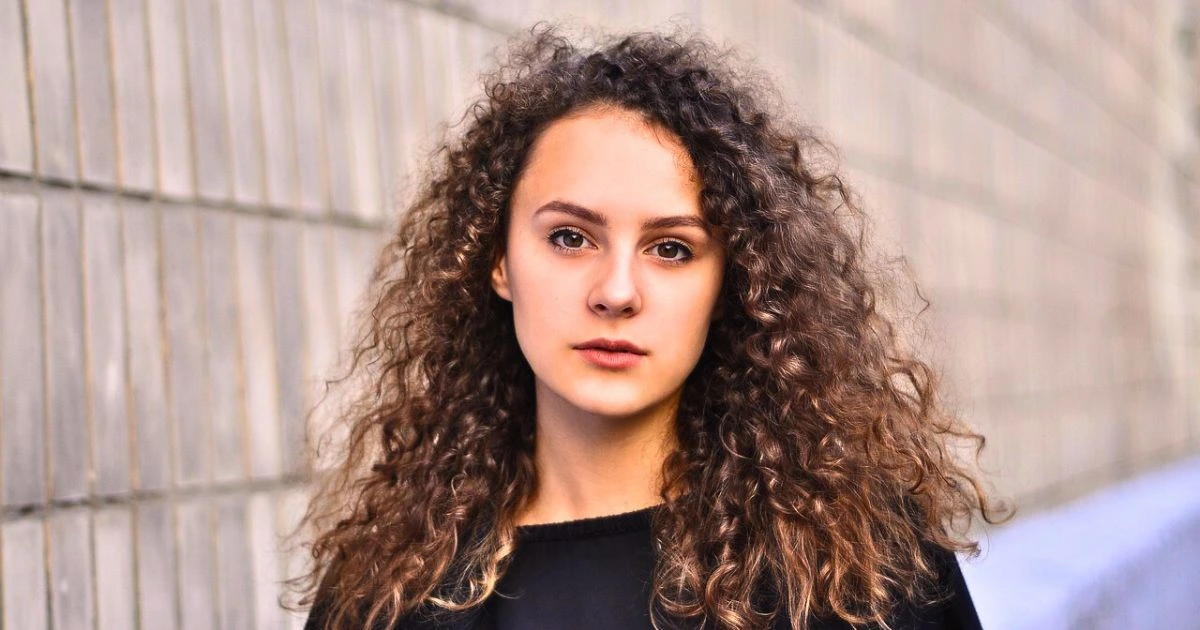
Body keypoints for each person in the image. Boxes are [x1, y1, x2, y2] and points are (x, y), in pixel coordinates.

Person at [295, 27, 1004, 630]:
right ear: (496, 260)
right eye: (570, 238)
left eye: (671, 249)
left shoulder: (859, 573)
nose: (616, 292)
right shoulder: (388, 591)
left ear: (731, 283)